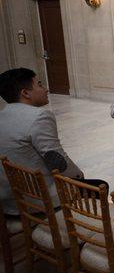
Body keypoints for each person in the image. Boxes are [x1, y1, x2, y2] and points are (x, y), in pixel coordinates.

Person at [0, 68, 104, 214]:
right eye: (40, 85)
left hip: (9, 199)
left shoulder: (3, 115)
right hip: (39, 199)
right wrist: (79, 177)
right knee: (100, 185)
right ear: (25, 93)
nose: (46, 89)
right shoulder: (39, 116)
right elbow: (56, 159)